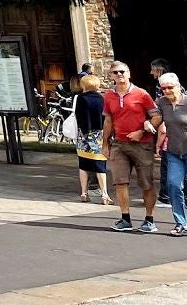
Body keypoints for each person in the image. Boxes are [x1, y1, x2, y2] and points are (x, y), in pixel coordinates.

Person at [103, 60, 160, 233]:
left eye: (122, 71)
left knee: (146, 183)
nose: (119, 75)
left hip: (142, 144)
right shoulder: (108, 96)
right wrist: (105, 143)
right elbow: (108, 120)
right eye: (115, 72)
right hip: (119, 144)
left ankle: (149, 219)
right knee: (120, 182)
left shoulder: (141, 94)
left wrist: (141, 132)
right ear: (111, 76)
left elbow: (156, 117)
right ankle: (125, 218)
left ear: (129, 74)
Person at [154, 73, 187, 237]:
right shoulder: (162, 103)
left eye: (170, 87)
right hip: (173, 152)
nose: (167, 91)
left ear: (178, 86)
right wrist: (148, 125)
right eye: (163, 88)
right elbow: (158, 121)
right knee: (172, 185)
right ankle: (181, 223)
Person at [73, 72, 109, 204]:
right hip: (99, 134)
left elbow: (79, 116)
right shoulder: (102, 98)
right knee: (100, 165)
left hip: (84, 135)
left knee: (83, 165)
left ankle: (84, 193)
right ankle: (104, 194)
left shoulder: (80, 98)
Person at [151, 58, 173, 206]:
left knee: (167, 165)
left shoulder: (162, 86)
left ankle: (165, 196)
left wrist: (158, 143)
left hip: (168, 135)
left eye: (153, 69)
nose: (151, 72)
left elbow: (162, 118)